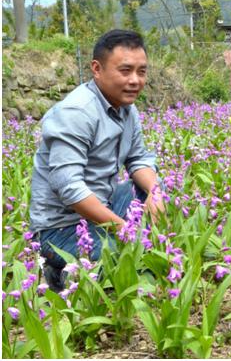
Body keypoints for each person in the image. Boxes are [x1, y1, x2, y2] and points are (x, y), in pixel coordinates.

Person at [30, 29, 165, 292]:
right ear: (97, 69)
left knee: (155, 190)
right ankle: (59, 271)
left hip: (104, 204)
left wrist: (155, 191)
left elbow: (138, 158)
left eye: (142, 71)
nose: (135, 80)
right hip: (62, 227)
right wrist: (122, 227)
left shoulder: (127, 109)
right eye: (125, 71)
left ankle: (117, 249)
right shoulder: (76, 112)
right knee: (130, 264)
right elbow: (69, 189)